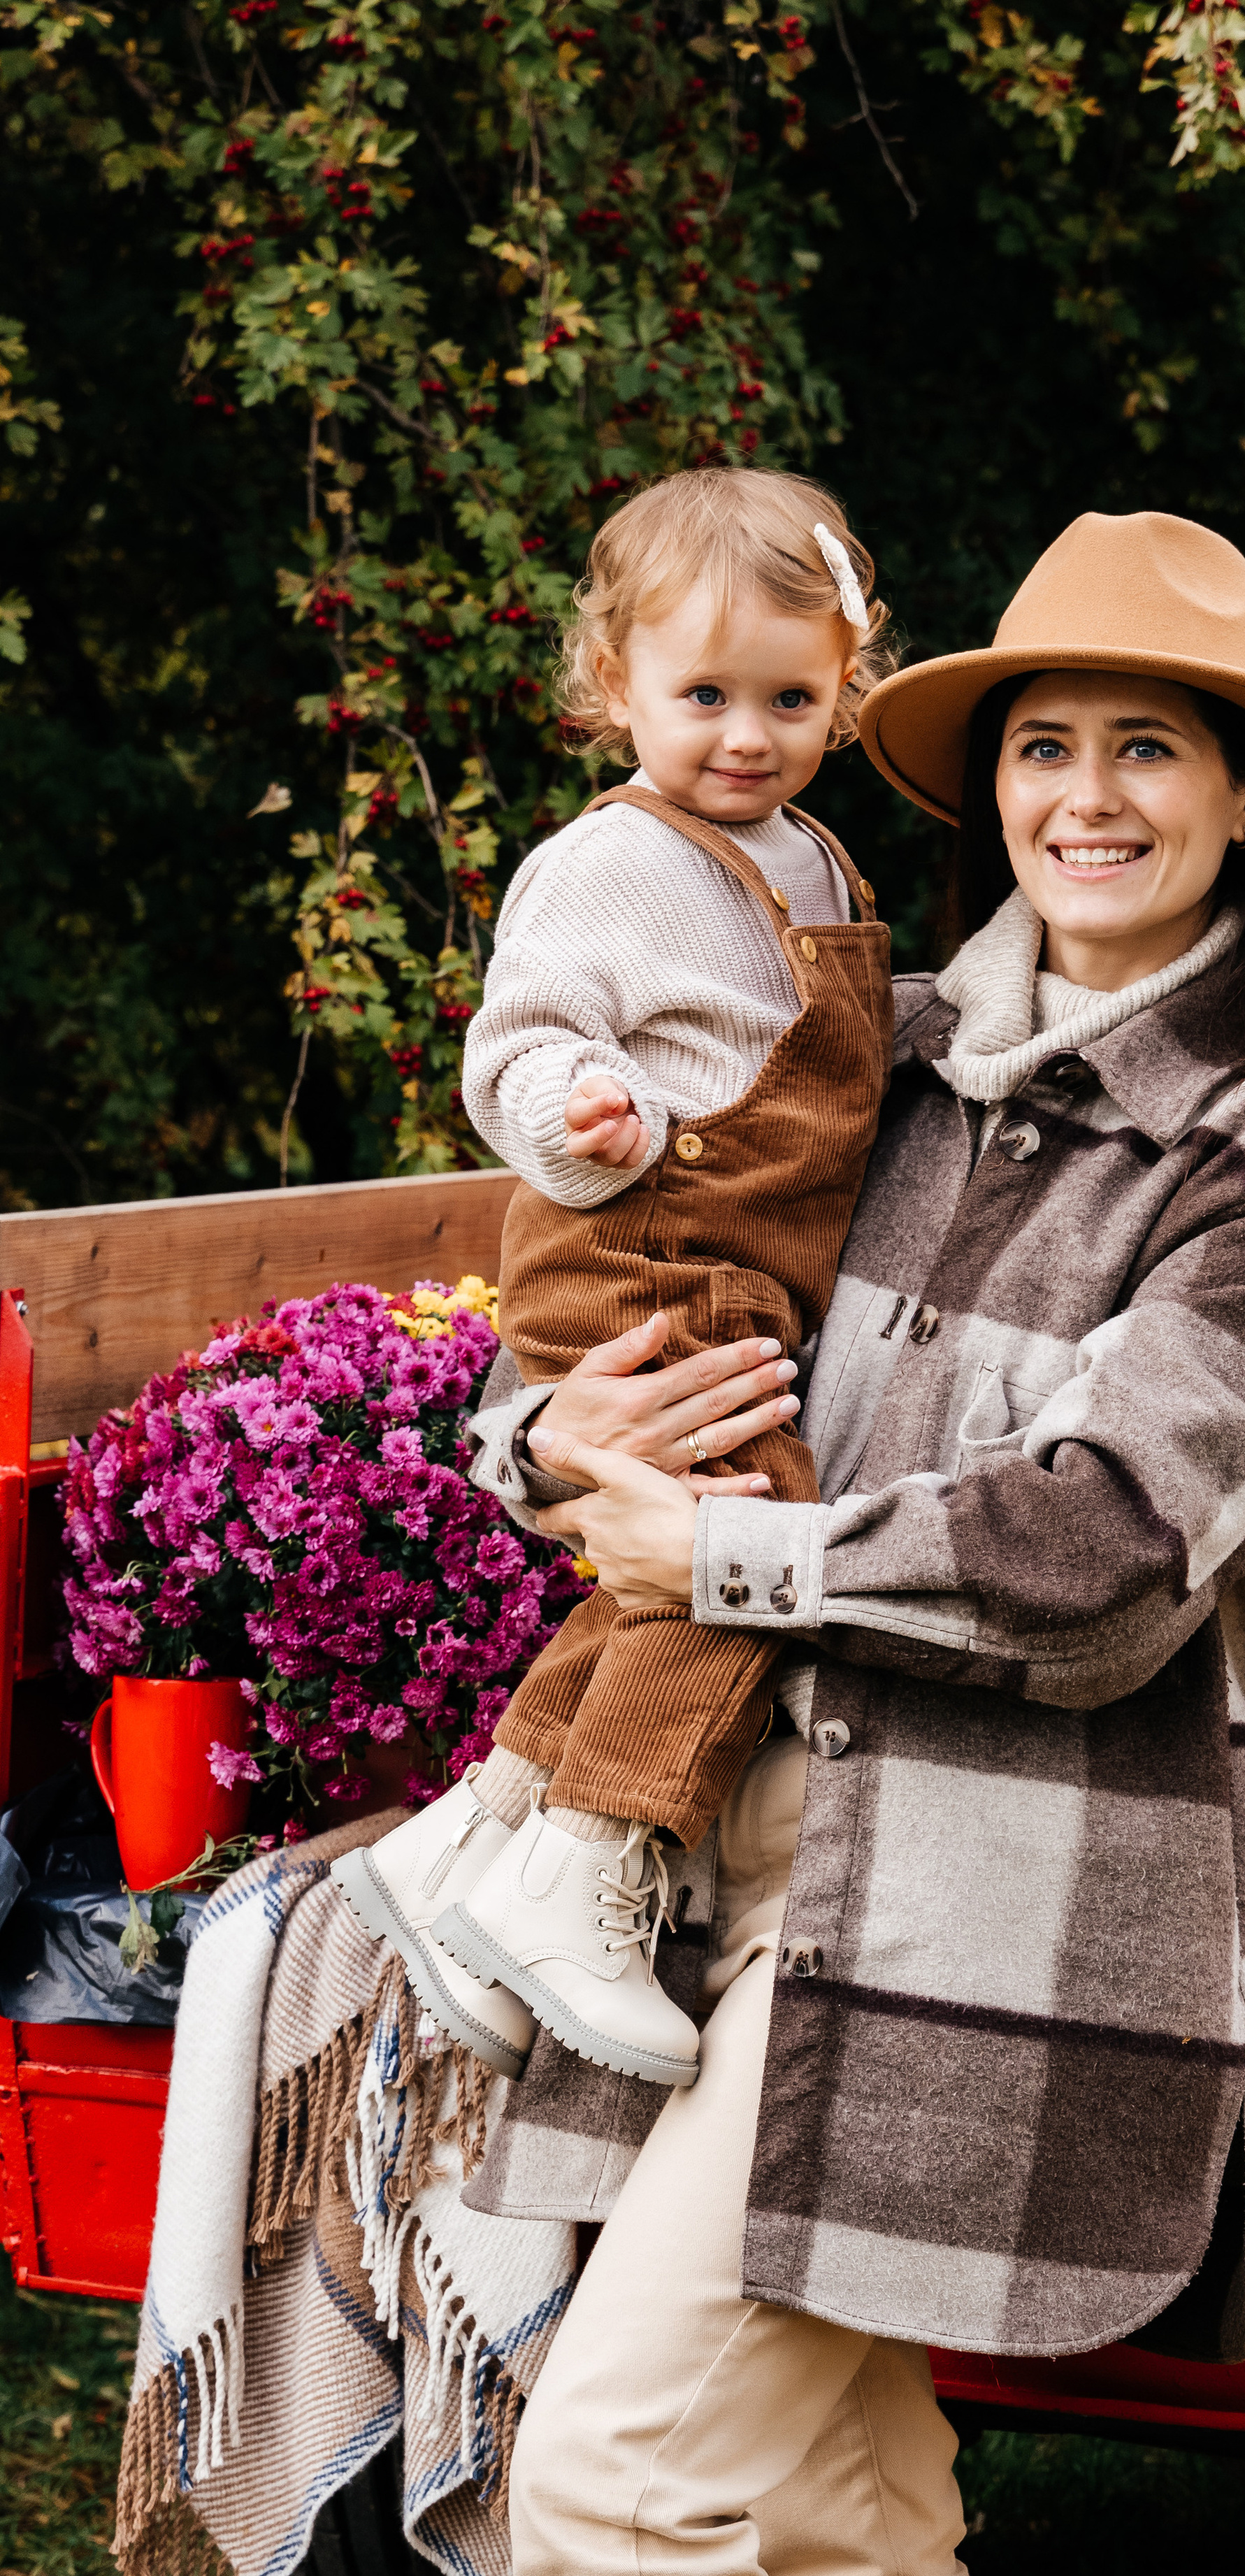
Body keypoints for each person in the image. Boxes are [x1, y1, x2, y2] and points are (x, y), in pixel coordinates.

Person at [467, 508, 1245, 2576]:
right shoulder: (880, 1064)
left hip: (1014, 1908)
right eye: (1044, 748)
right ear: (987, 780)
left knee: (619, 2485)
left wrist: (719, 1547)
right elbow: (623, 1303)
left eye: (1149, 753)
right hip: (747, 1861)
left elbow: (1102, 1554)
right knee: (839, 2534)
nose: (1083, 801)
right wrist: (538, 1441)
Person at [333, 468, 897, 2092]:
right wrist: (576, 1114)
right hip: (644, 1253)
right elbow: (516, 1042)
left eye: (789, 698)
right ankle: (593, 1859)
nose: (745, 732)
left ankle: (475, 1844)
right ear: (614, 688)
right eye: (702, 694)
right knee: (737, 1543)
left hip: (733, 1273)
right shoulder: (607, 866)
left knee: (649, 1576)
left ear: (840, 694)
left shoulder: (813, 864)